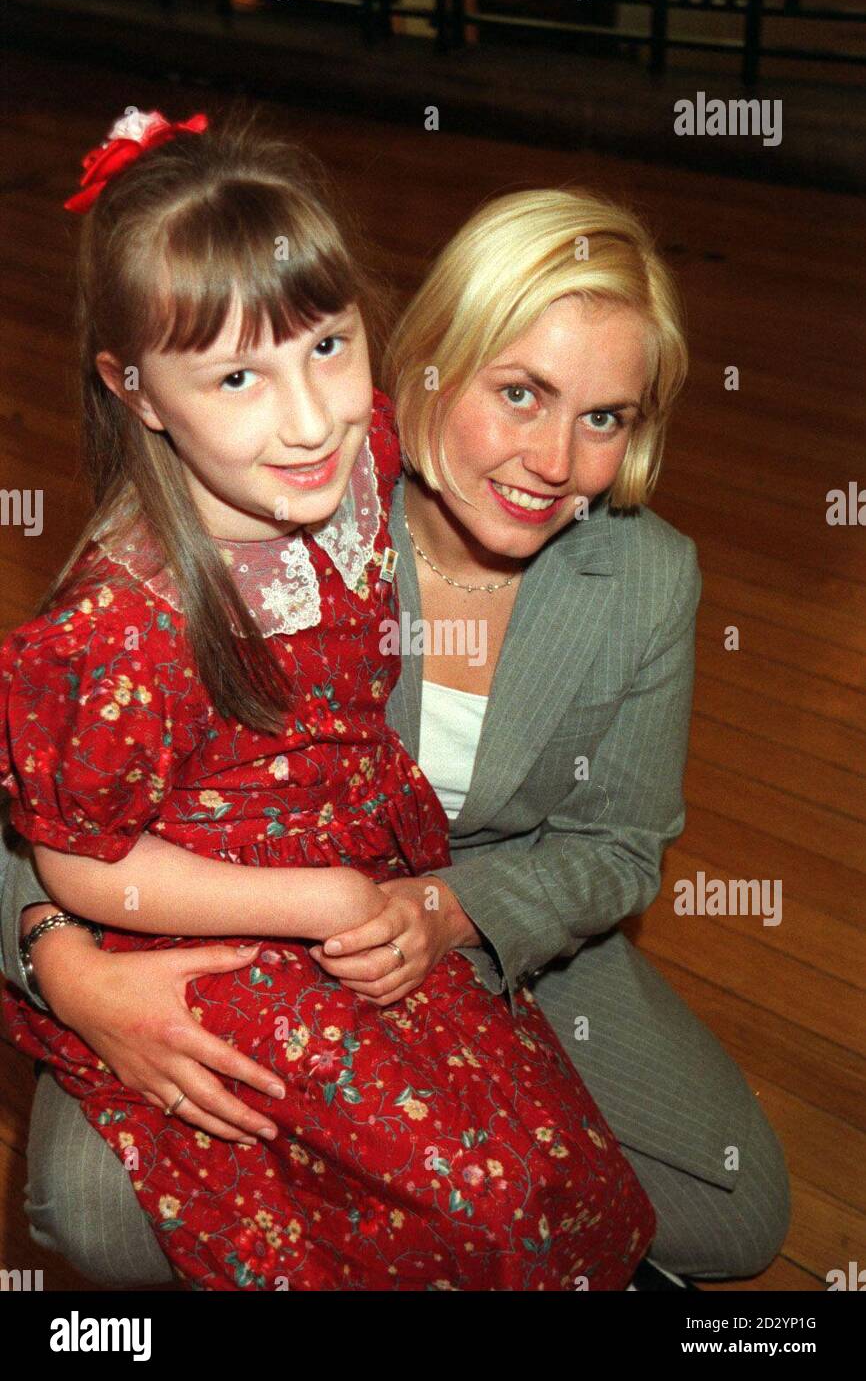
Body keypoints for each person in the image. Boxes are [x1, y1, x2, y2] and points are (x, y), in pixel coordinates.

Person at [0, 158, 791, 1290]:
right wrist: (61, 966)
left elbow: (615, 849)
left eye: (603, 416)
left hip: (481, 918)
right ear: (432, 360)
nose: (552, 462)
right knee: (101, 1214)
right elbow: (48, 805)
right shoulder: (289, 493)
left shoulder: (646, 577)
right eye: (516, 392)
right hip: (215, 928)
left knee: (735, 1212)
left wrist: (448, 907)